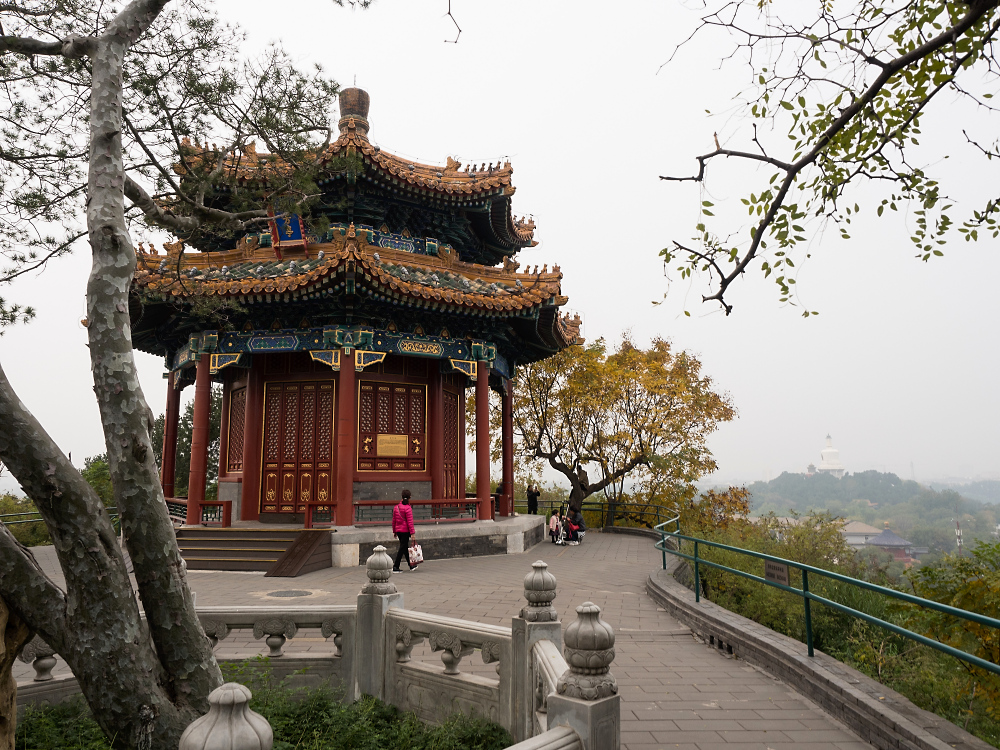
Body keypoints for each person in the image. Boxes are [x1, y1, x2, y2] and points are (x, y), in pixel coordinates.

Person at [391, 489, 417, 572]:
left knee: (404, 548)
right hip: (405, 531)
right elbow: (410, 522)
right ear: (410, 497)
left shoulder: (396, 507)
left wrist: (394, 531)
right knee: (402, 548)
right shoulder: (408, 508)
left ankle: (411, 565)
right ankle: (395, 566)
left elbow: (394, 520)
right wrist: (412, 533)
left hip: (399, 531)